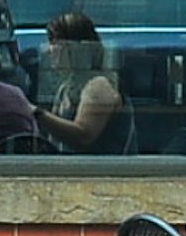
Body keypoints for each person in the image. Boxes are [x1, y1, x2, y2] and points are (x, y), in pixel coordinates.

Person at [33, 11, 126, 155]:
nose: (50, 50)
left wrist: (35, 113)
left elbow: (83, 136)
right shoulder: (67, 87)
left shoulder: (98, 86)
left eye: (55, 43)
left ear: (75, 47)